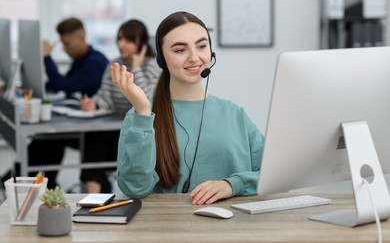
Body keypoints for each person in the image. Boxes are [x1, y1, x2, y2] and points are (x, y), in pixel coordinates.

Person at [110, 11, 264, 205]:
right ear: (162, 59)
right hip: (169, 229)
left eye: (201, 46)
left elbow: (273, 174)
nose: (194, 57)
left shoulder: (235, 114)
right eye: (180, 50)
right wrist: (142, 111)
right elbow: (134, 188)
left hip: (232, 229)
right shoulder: (140, 117)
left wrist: (233, 184)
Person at [79, 19, 161, 193]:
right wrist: (93, 105)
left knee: (98, 146)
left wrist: (137, 68)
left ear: (142, 43)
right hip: (115, 128)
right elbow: (105, 98)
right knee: (94, 138)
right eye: (120, 39)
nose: (122, 44)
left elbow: (148, 101)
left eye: (129, 40)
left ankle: (96, 193)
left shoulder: (153, 65)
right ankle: (92, 197)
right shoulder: (114, 64)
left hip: (142, 130)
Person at [29, 17, 109, 189]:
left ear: (82, 38)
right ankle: (36, 184)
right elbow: (65, 81)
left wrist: (47, 57)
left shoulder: (95, 62)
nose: (65, 49)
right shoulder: (82, 60)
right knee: (45, 139)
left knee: (50, 138)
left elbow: (65, 85)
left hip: (99, 133)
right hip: (87, 123)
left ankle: (36, 185)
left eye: (67, 44)